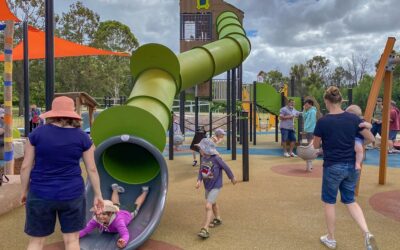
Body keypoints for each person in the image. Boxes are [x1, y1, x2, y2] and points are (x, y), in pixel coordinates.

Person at [20, 96, 104, 250]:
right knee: (72, 242)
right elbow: (91, 168)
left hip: (40, 193)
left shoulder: (37, 134)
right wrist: (98, 194)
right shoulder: (82, 137)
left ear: (52, 114)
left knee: (36, 242)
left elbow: (26, 166)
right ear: (72, 114)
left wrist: (24, 190)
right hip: (72, 194)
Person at [312, 86, 377, 250]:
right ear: (341, 101)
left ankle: (331, 238)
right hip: (352, 167)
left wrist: (326, 145)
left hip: (333, 166)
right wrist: (355, 145)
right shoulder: (354, 119)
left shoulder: (323, 121)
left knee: (329, 202)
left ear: (326, 101)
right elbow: (370, 139)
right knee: (350, 201)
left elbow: (315, 145)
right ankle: (366, 233)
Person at [80, 184, 149, 249]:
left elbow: (125, 234)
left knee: (136, 205)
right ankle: (115, 189)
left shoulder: (118, 221)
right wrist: (75, 236)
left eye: (104, 214)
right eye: (98, 213)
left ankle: (145, 192)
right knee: (115, 204)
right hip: (116, 209)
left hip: (127, 213)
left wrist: (123, 240)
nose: (100, 216)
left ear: (111, 214)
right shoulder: (95, 220)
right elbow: (85, 230)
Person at [195, 138, 236, 239]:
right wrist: (199, 180)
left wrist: (232, 177)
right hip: (207, 186)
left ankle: (205, 229)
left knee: (208, 206)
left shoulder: (216, 159)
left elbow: (226, 168)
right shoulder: (204, 158)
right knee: (213, 203)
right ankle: (218, 218)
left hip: (216, 186)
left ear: (206, 149)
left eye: (201, 148)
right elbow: (201, 170)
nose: (199, 150)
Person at [345, 105, 372, 170]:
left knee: (359, 149)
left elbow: (370, 126)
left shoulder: (360, 120)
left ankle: (357, 163)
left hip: (357, 138)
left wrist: (365, 124)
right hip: (349, 137)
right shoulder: (346, 120)